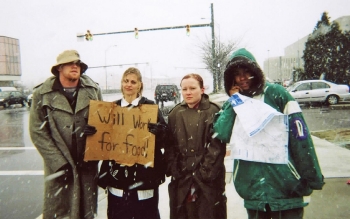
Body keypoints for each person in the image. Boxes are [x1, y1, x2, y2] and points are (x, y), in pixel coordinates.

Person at [213, 48, 325, 219]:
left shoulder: (277, 94)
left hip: (286, 187)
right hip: (253, 192)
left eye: (246, 72)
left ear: (255, 72)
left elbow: (300, 137)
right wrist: (235, 101)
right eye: (237, 74)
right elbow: (222, 132)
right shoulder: (234, 101)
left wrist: (312, 175)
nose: (242, 78)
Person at [29, 50, 103, 219]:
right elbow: (37, 132)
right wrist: (59, 163)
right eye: (70, 63)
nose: (75, 66)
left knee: (86, 211)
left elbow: (103, 122)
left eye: (77, 64)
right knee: (59, 211)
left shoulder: (92, 90)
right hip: (59, 166)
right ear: (59, 68)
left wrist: (93, 136)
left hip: (86, 164)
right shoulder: (42, 93)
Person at [97, 67, 167, 219]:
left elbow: (164, 139)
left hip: (144, 175)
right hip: (117, 175)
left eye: (133, 82)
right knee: (118, 213)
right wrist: (93, 131)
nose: (129, 85)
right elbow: (103, 138)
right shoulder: (112, 108)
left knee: (147, 213)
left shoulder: (150, 107)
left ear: (140, 85)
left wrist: (159, 131)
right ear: (121, 84)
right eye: (126, 81)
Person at [165, 73, 227, 219]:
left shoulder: (214, 111)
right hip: (183, 180)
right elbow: (170, 146)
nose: (188, 92)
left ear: (202, 89)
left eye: (192, 88)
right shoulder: (175, 114)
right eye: (184, 89)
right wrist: (176, 169)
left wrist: (204, 173)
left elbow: (217, 147)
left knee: (208, 213)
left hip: (208, 181)